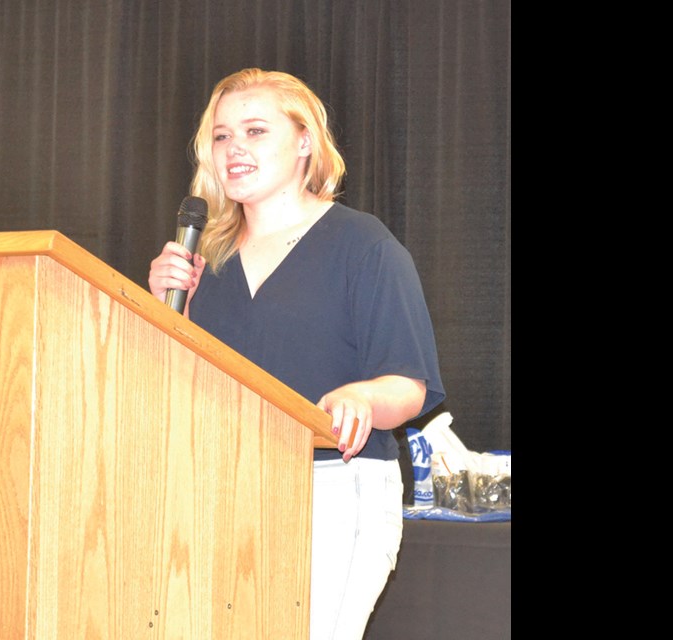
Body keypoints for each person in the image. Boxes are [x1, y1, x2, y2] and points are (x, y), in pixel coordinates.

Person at [148, 68, 445, 640]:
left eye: (255, 131)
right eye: (221, 135)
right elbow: (171, 386)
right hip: (220, 486)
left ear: (305, 140)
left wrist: (362, 395)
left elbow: (409, 384)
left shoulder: (364, 246)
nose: (234, 148)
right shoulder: (202, 261)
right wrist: (165, 310)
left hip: (334, 488)